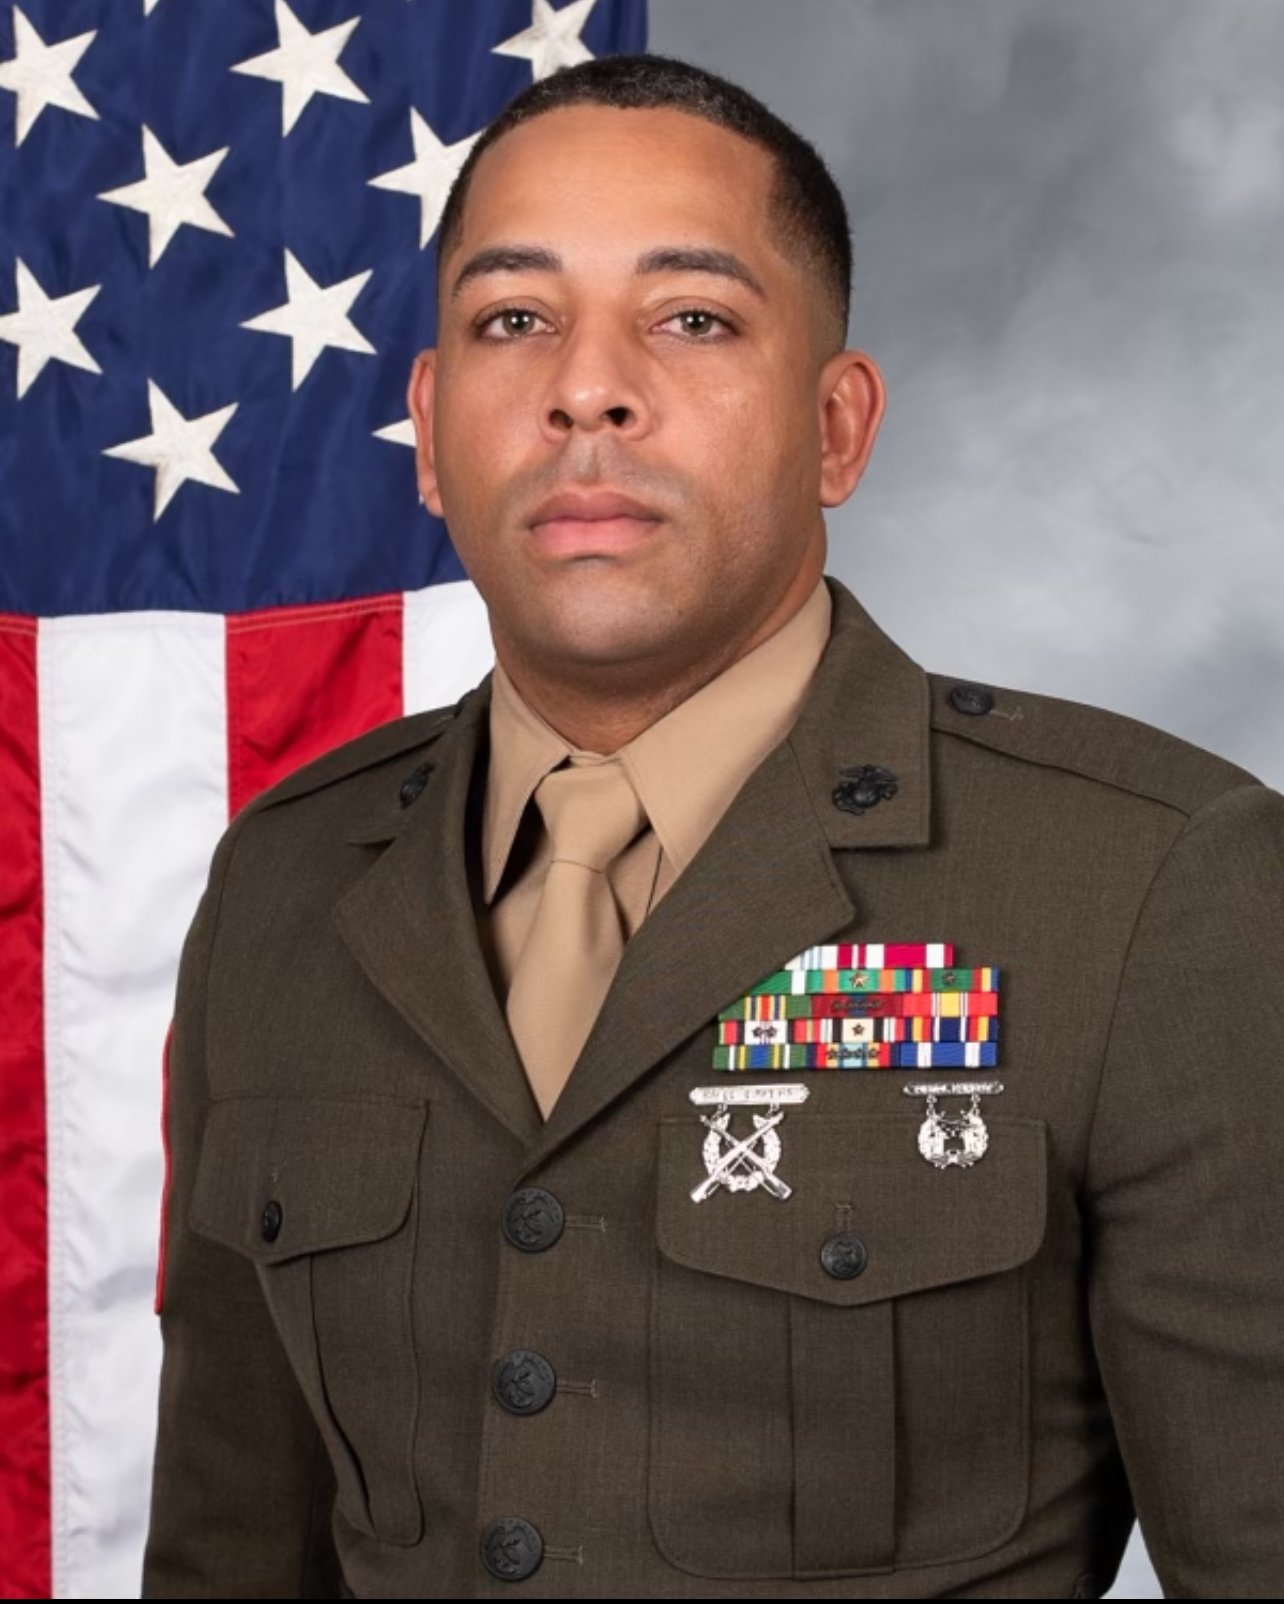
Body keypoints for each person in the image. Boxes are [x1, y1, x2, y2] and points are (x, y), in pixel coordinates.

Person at [142, 52, 1284, 1600]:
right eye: (511, 320)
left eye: (691, 317)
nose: (586, 386)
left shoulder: (1153, 884)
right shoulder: (281, 882)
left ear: (837, 426)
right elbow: (228, 1552)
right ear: (427, 427)